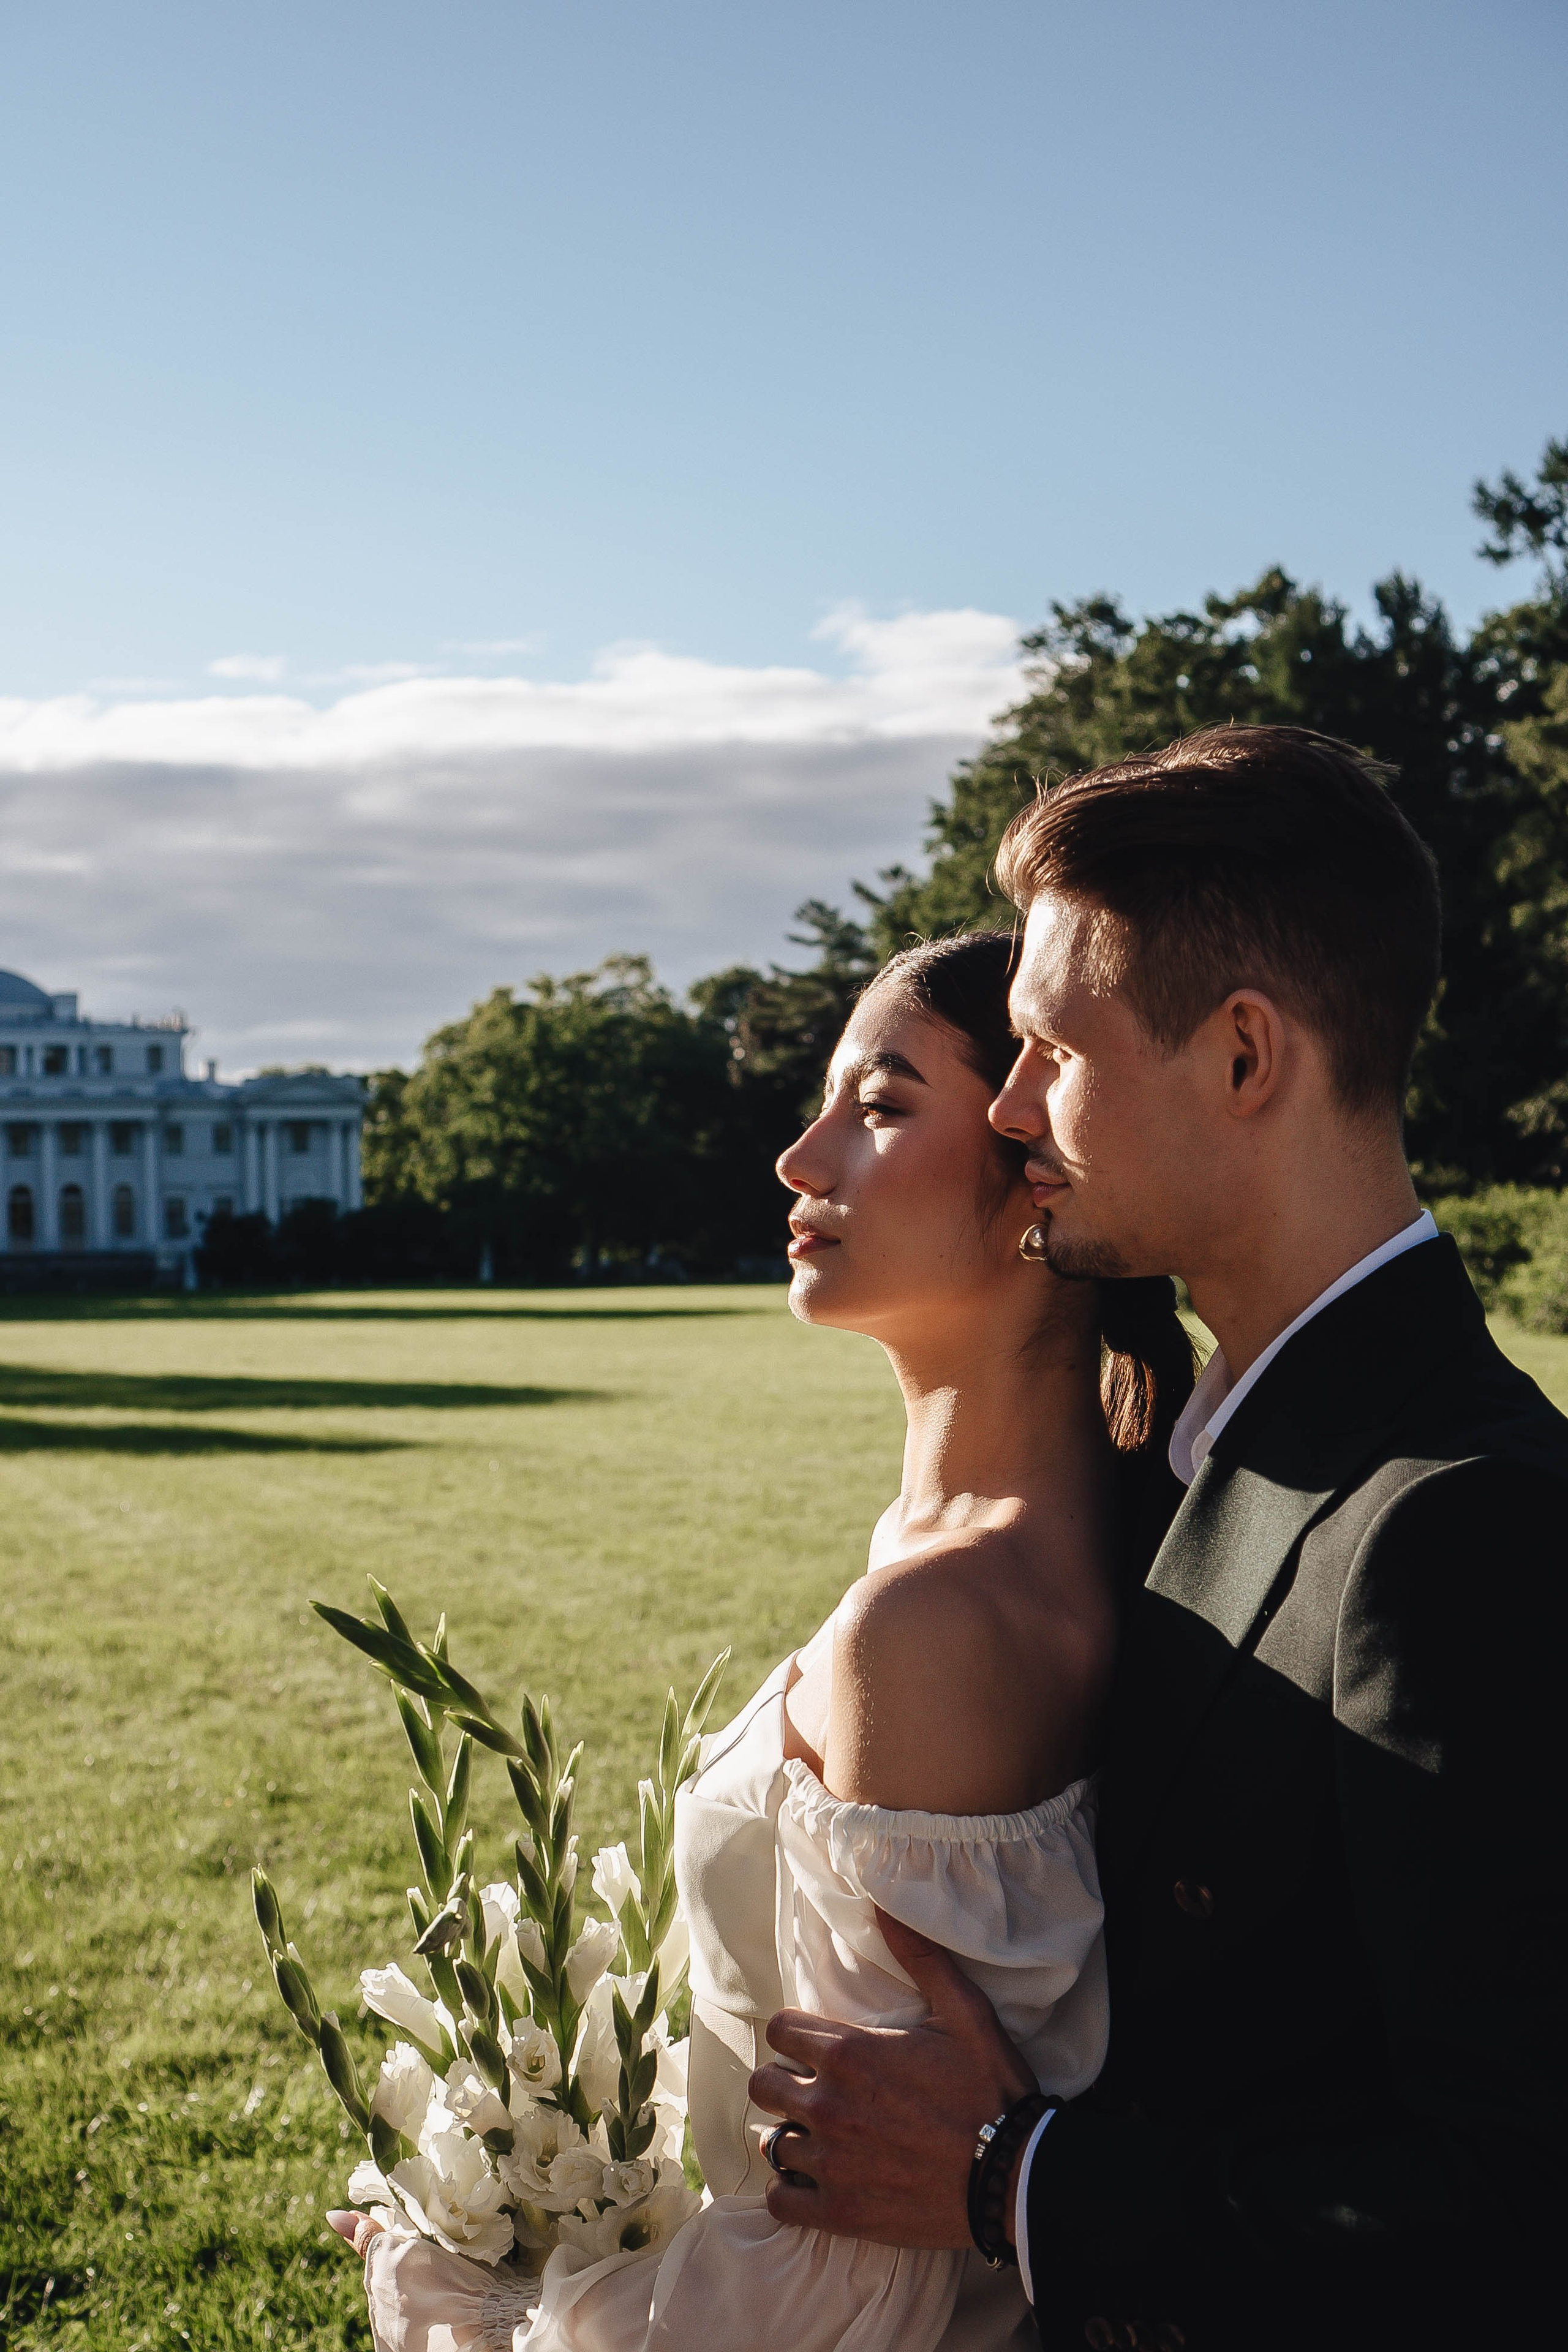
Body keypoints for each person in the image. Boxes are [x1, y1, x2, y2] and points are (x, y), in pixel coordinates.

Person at [748, 725, 1568, 2351]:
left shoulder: (1453, 1520)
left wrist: (1018, 2182)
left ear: (1246, 1057)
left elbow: (1521, 2212)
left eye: (1054, 1050)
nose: (1020, 1109)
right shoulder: (1207, 1450)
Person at [336, 930, 1193, 2351]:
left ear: (1036, 1165)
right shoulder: (997, 1542)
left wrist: (492, 2318)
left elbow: (857, 2271)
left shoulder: (933, 1627)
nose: (799, 1161)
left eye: (878, 1106)